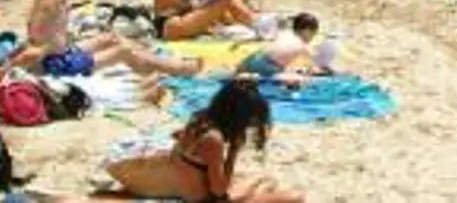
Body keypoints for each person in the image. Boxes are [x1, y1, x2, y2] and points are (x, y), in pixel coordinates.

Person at [104, 77, 306, 203]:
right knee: (294, 197)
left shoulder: (200, 118)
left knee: (265, 180)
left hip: (190, 188)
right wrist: (233, 153)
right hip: (203, 199)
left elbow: (178, 139)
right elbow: (219, 190)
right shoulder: (214, 139)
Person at [29, 0, 200, 78]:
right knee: (123, 51)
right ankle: (176, 68)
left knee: (112, 38)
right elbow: (34, 33)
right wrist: (46, 52)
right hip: (58, 65)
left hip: (63, 53)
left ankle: (152, 61)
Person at [238, 13, 332, 81]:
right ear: (307, 31)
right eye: (313, 34)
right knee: (298, 80)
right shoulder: (302, 45)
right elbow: (315, 68)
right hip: (267, 66)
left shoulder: (284, 35)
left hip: (251, 60)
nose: (312, 37)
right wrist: (323, 72)